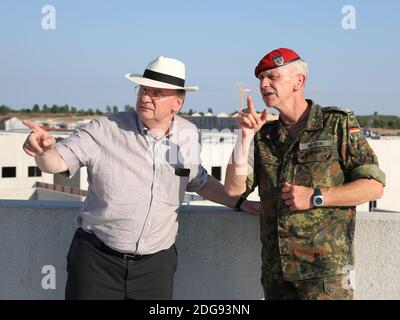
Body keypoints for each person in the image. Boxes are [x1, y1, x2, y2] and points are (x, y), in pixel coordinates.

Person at [22, 56, 259, 300]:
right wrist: (44, 151)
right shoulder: (104, 129)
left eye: (156, 93)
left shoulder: (188, 134)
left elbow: (198, 181)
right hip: (96, 263)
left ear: (177, 102)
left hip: (156, 268)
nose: (145, 97)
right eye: (143, 89)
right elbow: (57, 162)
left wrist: (239, 203)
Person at [224, 48, 386, 300]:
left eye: (272, 77)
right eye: (260, 80)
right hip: (276, 276)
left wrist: (316, 196)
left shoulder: (336, 124)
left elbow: (373, 186)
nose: (264, 84)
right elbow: (233, 190)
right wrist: (244, 138)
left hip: (324, 276)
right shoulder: (263, 136)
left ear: (299, 81)